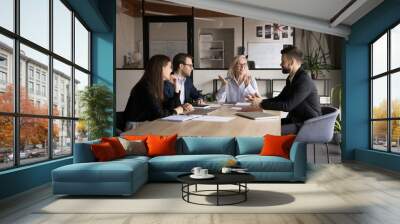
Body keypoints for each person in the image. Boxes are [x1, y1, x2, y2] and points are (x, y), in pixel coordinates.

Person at [246, 45, 321, 135]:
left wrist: (261, 104)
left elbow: (287, 106)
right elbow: (280, 98)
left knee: (268, 130)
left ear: (292, 62)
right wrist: (261, 101)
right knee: (265, 124)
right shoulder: (292, 78)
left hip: (309, 124)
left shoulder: (304, 80)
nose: (280, 64)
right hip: (296, 119)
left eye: (283, 61)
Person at [124, 55, 184, 124]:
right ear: (161, 69)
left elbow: (169, 107)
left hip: (149, 124)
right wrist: (175, 111)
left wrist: (176, 91)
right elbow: (159, 115)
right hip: (136, 127)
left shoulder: (158, 85)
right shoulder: (145, 87)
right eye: (170, 67)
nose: (171, 70)